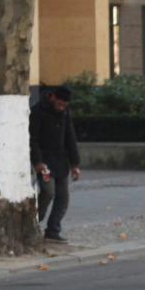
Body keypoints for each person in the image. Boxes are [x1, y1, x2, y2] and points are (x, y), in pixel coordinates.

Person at [30, 84, 81, 244]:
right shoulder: (38, 110)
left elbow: (70, 137)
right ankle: (34, 223)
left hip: (61, 162)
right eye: (59, 104)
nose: (61, 108)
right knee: (48, 191)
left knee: (63, 197)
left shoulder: (65, 113)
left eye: (65, 106)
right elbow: (33, 139)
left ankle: (53, 230)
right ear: (52, 98)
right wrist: (37, 161)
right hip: (44, 162)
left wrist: (75, 163)